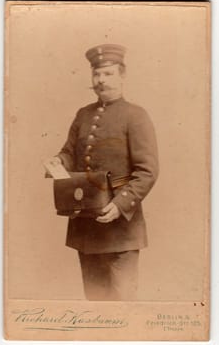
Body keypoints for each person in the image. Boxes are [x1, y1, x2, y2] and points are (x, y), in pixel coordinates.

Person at [48, 44, 159, 301]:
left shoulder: (136, 116)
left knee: (122, 303)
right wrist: (57, 162)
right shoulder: (83, 114)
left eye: (108, 74)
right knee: (95, 301)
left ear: (122, 75)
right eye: (97, 74)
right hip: (86, 225)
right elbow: (69, 152)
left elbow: (147, 171)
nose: (101, 80)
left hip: (121, 227)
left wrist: (120, 205)